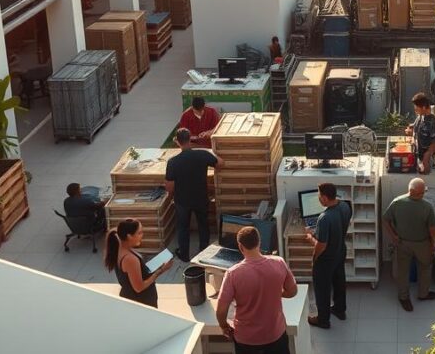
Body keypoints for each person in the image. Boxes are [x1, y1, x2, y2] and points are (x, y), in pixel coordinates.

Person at [217, 226, 298, 354]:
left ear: (240, 246)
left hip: (246, 340)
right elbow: (293, 292)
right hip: (275, 334)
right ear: (259, 242)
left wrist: (224, 326)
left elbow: (221, 310)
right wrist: (275, 293)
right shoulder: (279, 262)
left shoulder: (232, 273)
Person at [165, 128, 223, 262]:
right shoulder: (202, 155)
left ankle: (184, 254)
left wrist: (171, 195)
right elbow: (221, 163)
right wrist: (212, 153)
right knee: (203, 225)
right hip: (201, 198)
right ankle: (203, 253)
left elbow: (169, 187)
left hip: (182, 201)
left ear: (177, 142)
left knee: (183, 227)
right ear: (190, 139)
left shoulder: (173, 162)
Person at [382, 177, 435, 311]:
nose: (423, 194)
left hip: (402, 243)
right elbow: (432, 228)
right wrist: (433, 244)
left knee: (402, 271)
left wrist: (393, 236)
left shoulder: (397, 202)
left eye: (423, 192)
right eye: (421, 192)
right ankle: (423, 294)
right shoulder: (427, 206)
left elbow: (385, 219)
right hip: (422, 243)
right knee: (425, 267)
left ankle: (403, 298)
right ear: (412, 191)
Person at [306, 182, 352, 329]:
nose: (319, 199)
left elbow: (321, 245)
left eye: (319, 196)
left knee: (322, 288)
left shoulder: (324, 218)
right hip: (340, 251)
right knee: (339, 281)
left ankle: (323, 320)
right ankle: (339, 309)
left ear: (325, 198)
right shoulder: (345, 206)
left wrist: (311, 239)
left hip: (326, 259)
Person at [104, 218, 173, 308]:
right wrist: (161, 270)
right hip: (141, 303)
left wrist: (158, 262)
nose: (142, 235)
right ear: (129, 236)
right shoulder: (130, 259)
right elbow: (139, 287)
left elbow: (138, 271)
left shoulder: (120, 248)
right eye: (139, 233)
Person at [405, 93, 435, 175]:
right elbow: (417, 128)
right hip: (418, 157)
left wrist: (426, 157)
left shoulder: (433, 121)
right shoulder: (420, 116)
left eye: (417, 108)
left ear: (423, 107)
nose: (415, 110)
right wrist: (411, 130)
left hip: (427, 161)